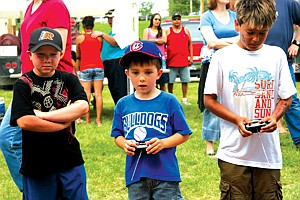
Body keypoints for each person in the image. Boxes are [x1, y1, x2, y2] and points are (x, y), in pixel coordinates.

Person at [204, 0, 296, 198]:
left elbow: (286, 98)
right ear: (237, 25)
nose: (256, 39)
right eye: (250, 32)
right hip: (233, 154)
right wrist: (237, 120)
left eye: (262, 33)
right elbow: (209, 100)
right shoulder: (222, 57)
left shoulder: (276, 55)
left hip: (267, 156)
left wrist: (274, 118)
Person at [0, 0, 73, 192]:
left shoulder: (54, 5)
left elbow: (60, 49)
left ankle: (40, 191)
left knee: (11, 137)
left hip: (50, 84)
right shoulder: (31, 7)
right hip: (28, 83)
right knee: (18, 140)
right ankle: (38, 191)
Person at [10, 27, 89, 199]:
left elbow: (82, 106)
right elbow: (25, 121)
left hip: (70, 159)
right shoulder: (23, 84)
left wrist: (42, 115)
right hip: (37, 163)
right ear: (30, 54)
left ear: (61, 55)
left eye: (53, 54)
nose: (47, 60)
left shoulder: (68, 79)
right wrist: (63, 122)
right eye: (40, 55)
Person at [111, 40, 192, 199]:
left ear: (159, 73)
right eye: (135, 73)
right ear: (127, 74)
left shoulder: (169, 101)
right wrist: (125, 144)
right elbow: (117, 135)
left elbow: (184, 133)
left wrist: (163, 143)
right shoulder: (123, 104)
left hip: (165, 175)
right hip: (136, 175)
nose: (141, 78)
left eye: (148, 72)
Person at [198, 0, 239, 156]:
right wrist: (234, 42)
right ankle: (210, 142)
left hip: (234, 64)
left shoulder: (235, 15)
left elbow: (243, 37)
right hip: (213, 64)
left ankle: (229, 140)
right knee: (213, 102)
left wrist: (220, 43)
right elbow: (211, 41)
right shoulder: (206, 17)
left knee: (232, 101)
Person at [264, 0, 300, 150]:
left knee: (291, 100)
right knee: (260, 99)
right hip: (258, 60)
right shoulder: (254, 2)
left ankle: (298, 139)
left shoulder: (288, 3)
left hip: (283, 61)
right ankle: (260, 138)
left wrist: (296, 43)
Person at [92, 9, 128, 105]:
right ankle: (119, 107)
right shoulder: (112, 32)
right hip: (109, 63)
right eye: (108, 19)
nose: (110, 21)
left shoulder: (122, 30)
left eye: (112, 18)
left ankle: (122, 108)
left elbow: (115, 42)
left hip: (117, 62)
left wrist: (102, 34)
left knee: (119, 88)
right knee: (113, 88)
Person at [75, 16, 104, 126]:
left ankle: (87, 120)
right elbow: (99, 50)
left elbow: (78, 55)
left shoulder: (80, 38)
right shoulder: (99, 38)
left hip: (85, 67)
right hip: (98, 66)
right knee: (98, 94)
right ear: (93, 25)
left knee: (86, 94)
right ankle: (98, 120)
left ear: (83, 25)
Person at [166, 13, 193, 105]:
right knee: (170, 81)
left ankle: (185, 98)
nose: (177, 21)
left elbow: (190, 44)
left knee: (185, 80)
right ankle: (171, 98)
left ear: (181, 20)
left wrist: (191, 57)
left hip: (184, 60)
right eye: (174, 19)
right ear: (172, 21)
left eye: (178, 19)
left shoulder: (185, 30)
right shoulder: (168, 31)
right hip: (171, 61)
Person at [143, 13, 169, 91]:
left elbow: (164, 40)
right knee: (151, 79)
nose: (157, 21)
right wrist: (157, 41)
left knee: (163, 81)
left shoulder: (162, 31)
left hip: (161, 58)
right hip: (150, 57)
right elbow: (145, 42)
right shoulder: (147, 30)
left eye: (159, 20)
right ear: (152, 20)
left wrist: (153, 40)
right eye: (156, 19)